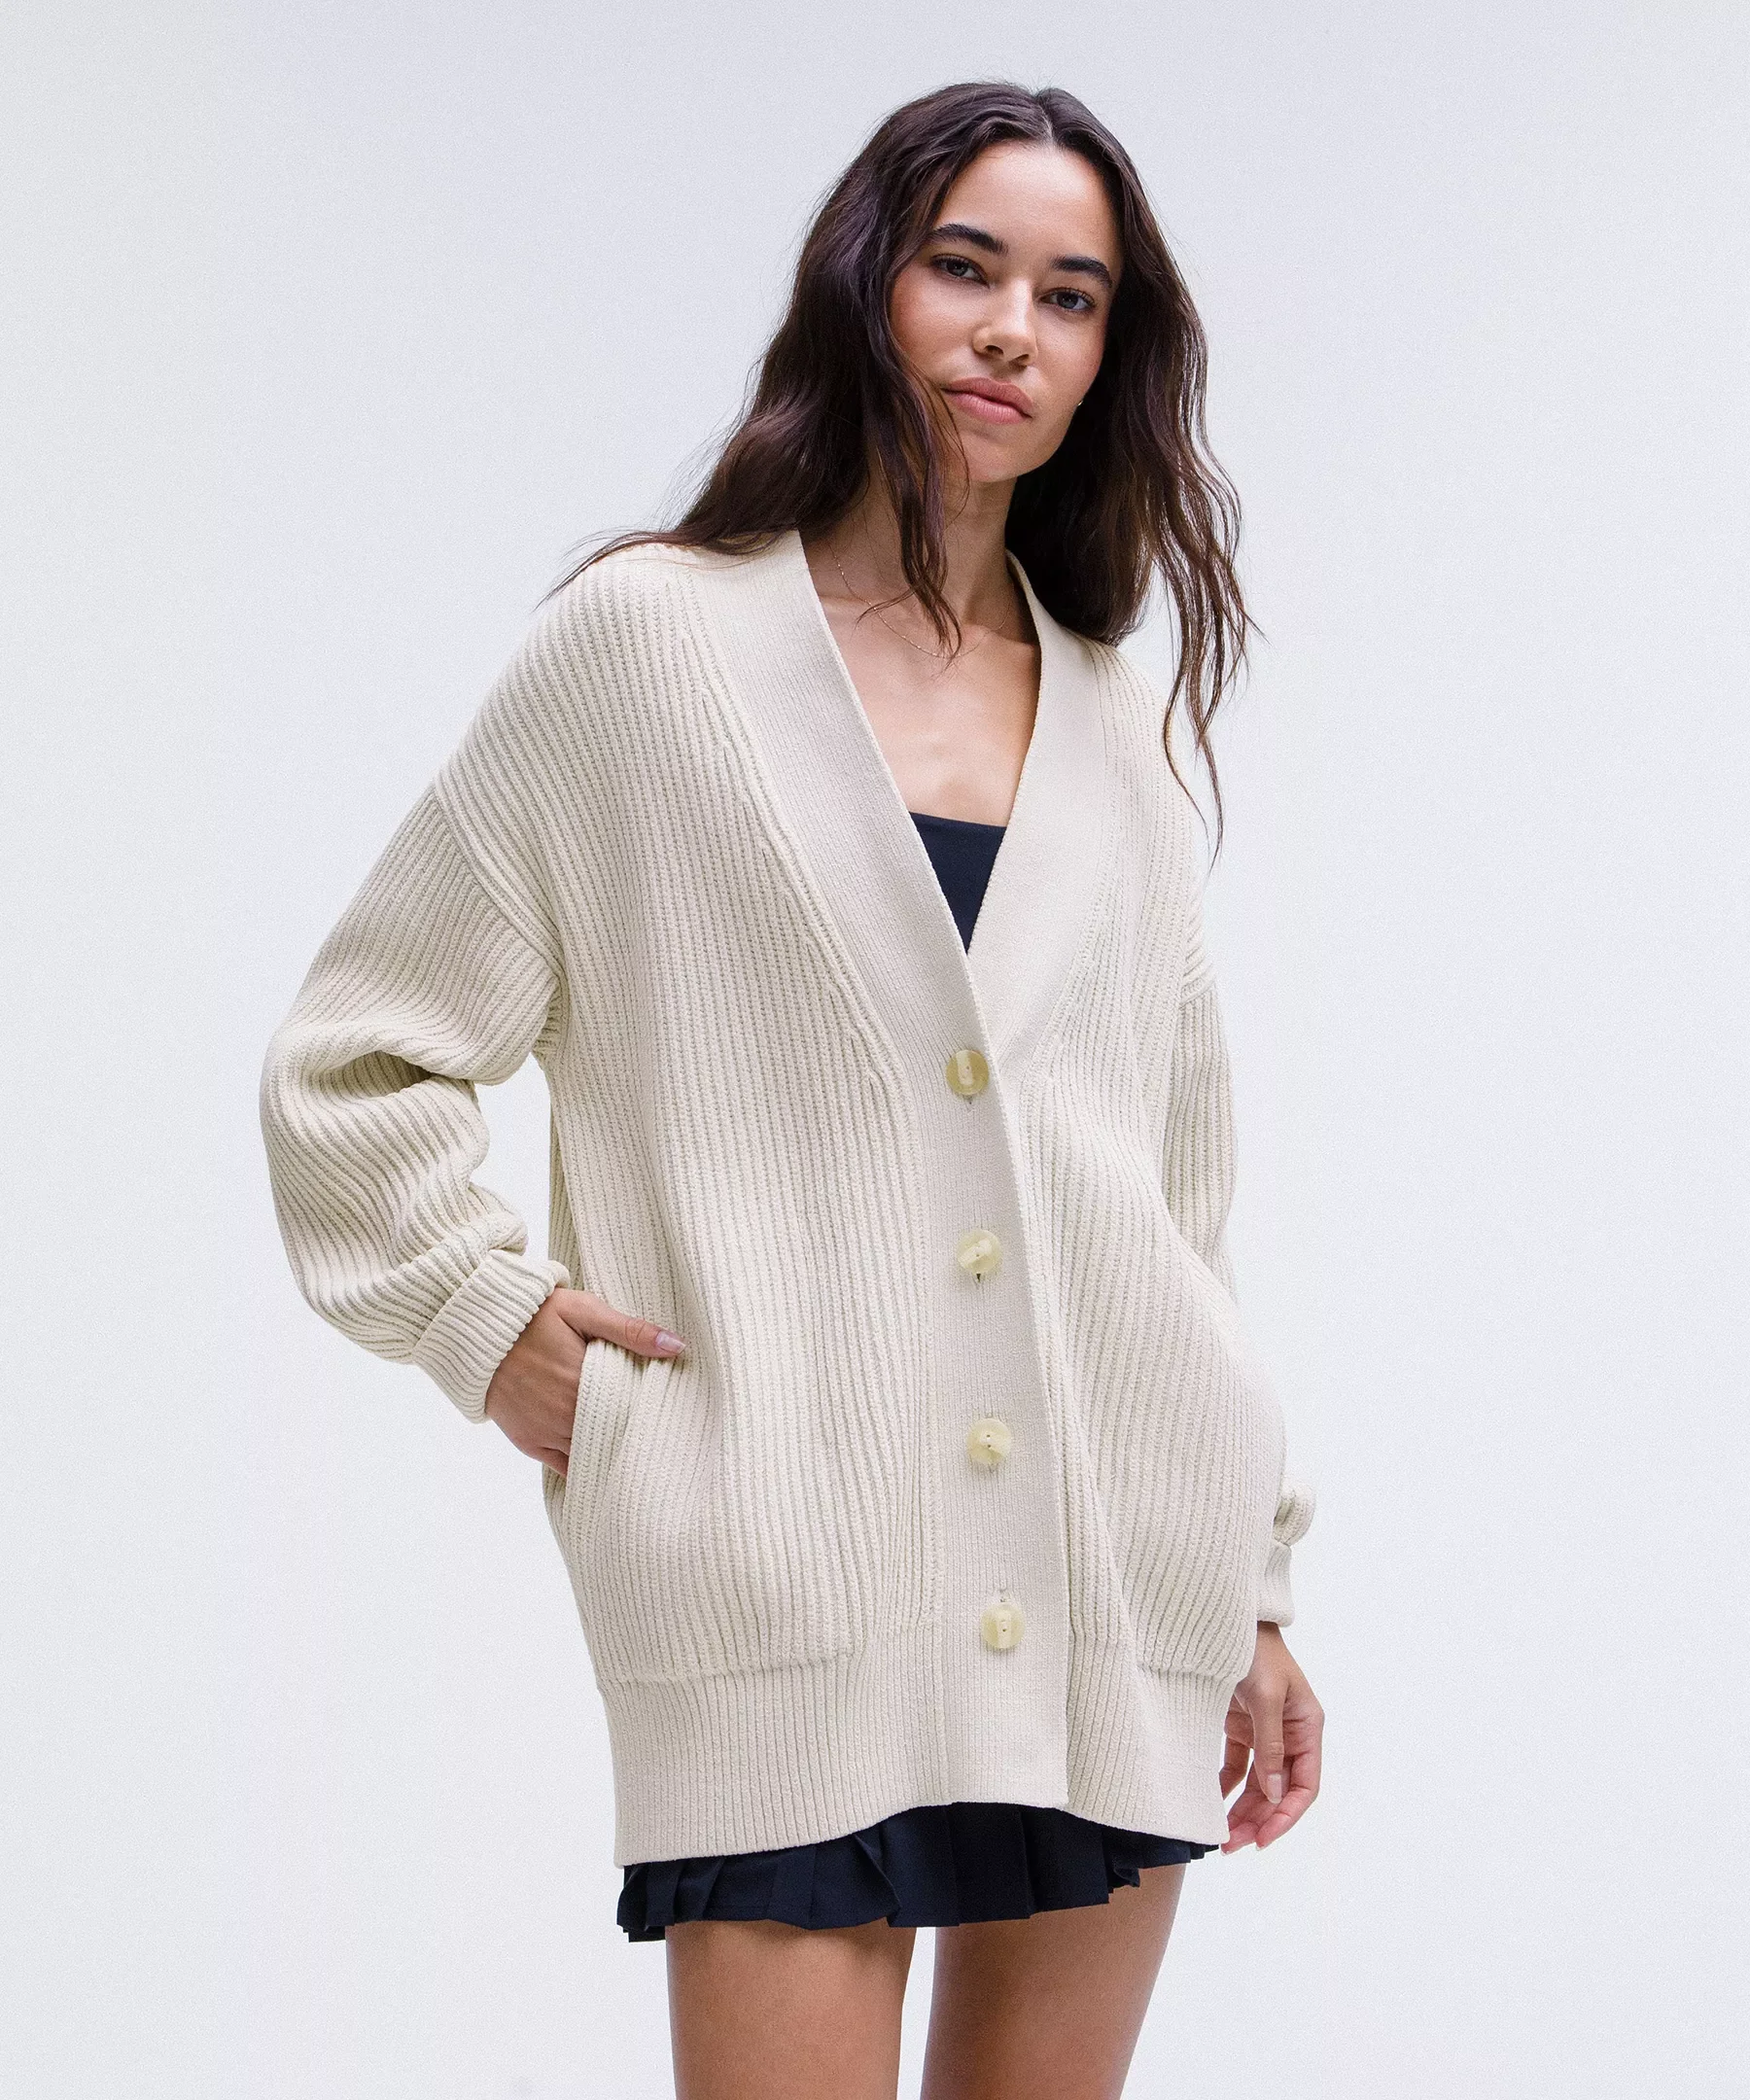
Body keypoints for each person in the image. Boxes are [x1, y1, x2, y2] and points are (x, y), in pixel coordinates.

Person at [260, 79, 1323, 2100]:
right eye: (965, 267)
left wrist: (1253, 1588)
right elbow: (357, 1059)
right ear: (866, 286)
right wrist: (490, 1326)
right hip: (779, 1578)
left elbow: (1173, 1203)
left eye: (1072, 296)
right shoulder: (647, 653)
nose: (1013, 330)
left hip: (1118, 1586)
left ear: (1113, 356)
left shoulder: (1118, 725)